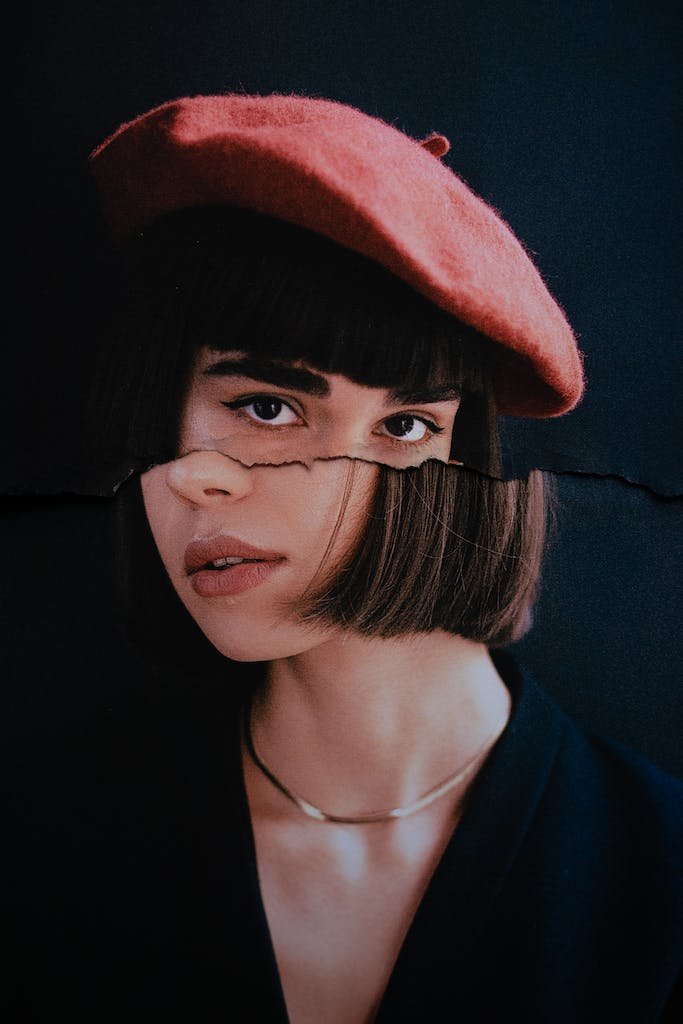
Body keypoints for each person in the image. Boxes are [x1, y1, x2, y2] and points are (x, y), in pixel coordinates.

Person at [7, 95, 682, 1022]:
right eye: (258, 404)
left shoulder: (661, 881)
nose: (200, 480)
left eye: (398, 423)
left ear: (452, 449)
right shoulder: (51, 850)